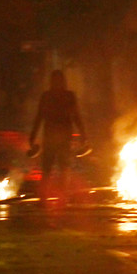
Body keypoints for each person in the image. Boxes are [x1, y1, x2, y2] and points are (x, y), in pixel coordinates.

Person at [29, 70, 87, 204]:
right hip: (52, 137)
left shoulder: (67, 96)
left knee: (62, 168)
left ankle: (60, 197)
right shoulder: (48, 96)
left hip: (62, 137)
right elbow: (40, 116)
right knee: (49, 168)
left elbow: (76, 116)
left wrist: (83, 134)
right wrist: (33, 136)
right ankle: (46, 198)